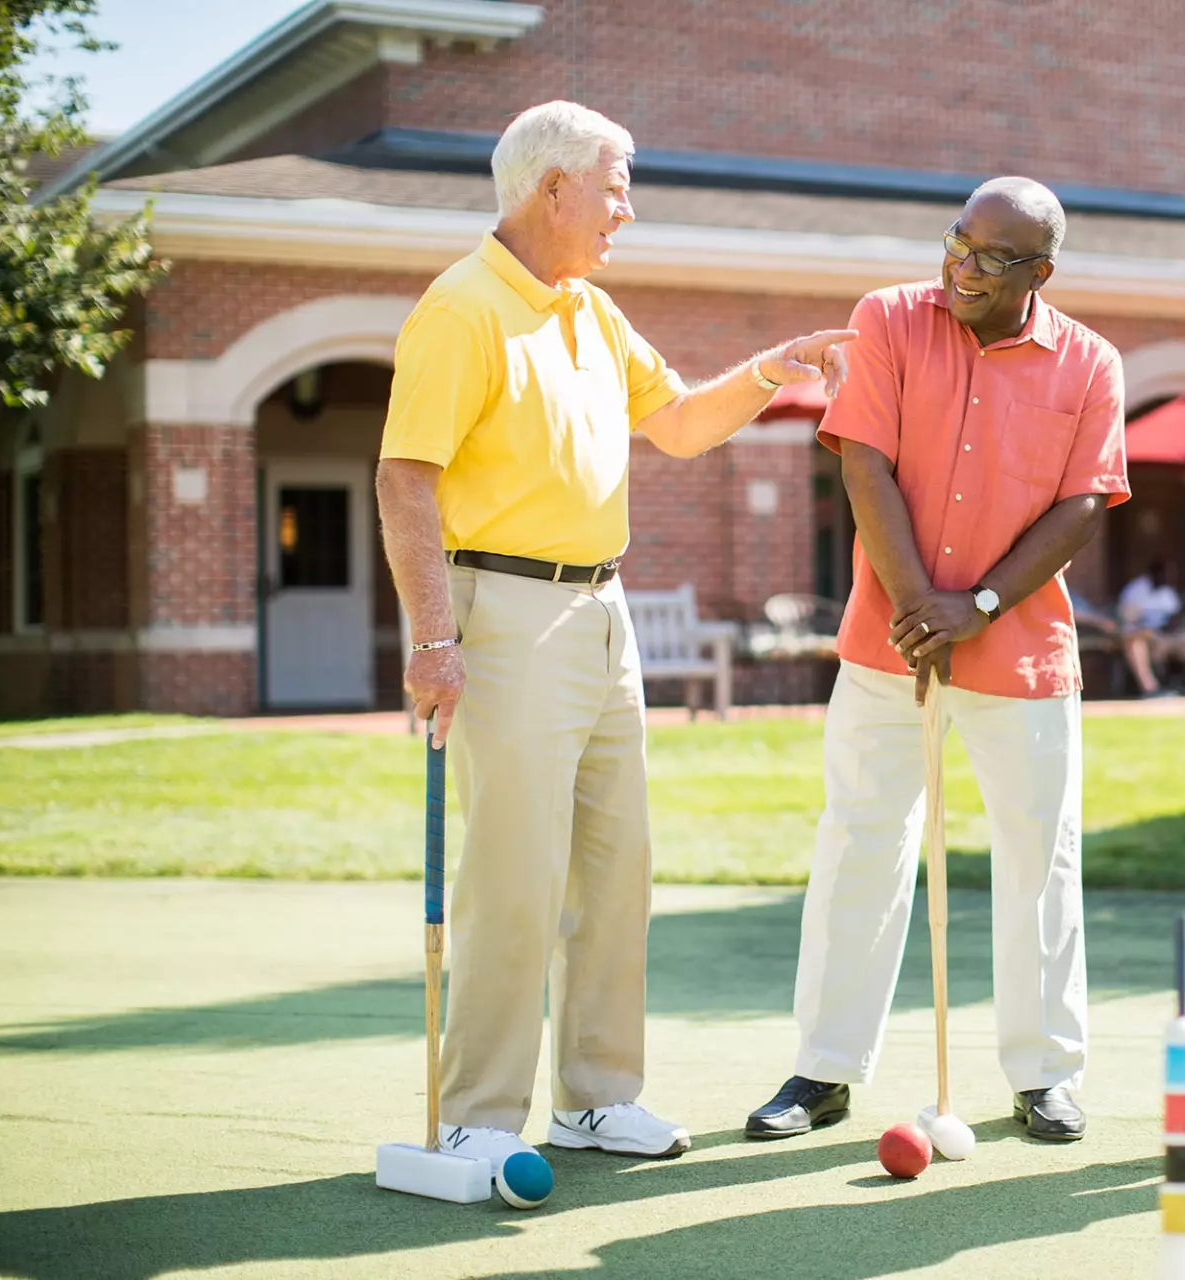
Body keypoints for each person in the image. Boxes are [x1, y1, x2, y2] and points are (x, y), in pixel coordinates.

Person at [376, 100, 855, 1181]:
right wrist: (432, 639)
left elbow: (680, 421)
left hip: (605, 610)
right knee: (514, 868)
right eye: (616, 186)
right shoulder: (462, 310)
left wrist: (774, 367)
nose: (626, 211)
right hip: (500, 613)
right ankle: (478, 1112)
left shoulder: (589, 310)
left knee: (615, 865)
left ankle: (597, 1098)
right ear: (553, 188)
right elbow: (406, 477)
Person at [744, 177, 1129, 1144]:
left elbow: (1084, 503)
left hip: (1024, 653)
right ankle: (823, 1072)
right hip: (887, 642)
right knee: (859, 844)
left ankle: (1044, 1076)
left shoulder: (1091, 363)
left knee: (1041, 859)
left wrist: (980, 604)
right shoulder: (886, 318)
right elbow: (862, 459)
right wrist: (923, 605)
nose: (961, 265)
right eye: (956, 241)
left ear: (1038, 273)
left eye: (990, 258)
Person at [1116, 559, 1185, 696]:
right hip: (1144, 633)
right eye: (1165, 573)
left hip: (1164, 633)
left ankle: (1184, 684)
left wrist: (1170, 629)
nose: (1169, 577)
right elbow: (1127, 619)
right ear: (1154, 573)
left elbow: (1175, 616)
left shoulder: (1167, 591)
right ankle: (1152, 689)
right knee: (1141, 643)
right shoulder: (1136, 589)